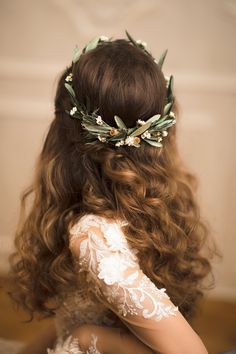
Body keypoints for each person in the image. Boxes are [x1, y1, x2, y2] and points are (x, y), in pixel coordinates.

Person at [3, 31, 218, 354]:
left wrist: (91, 337)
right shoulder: (153, 205)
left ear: (63, 134)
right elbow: (82, 312)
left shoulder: (93, 238)